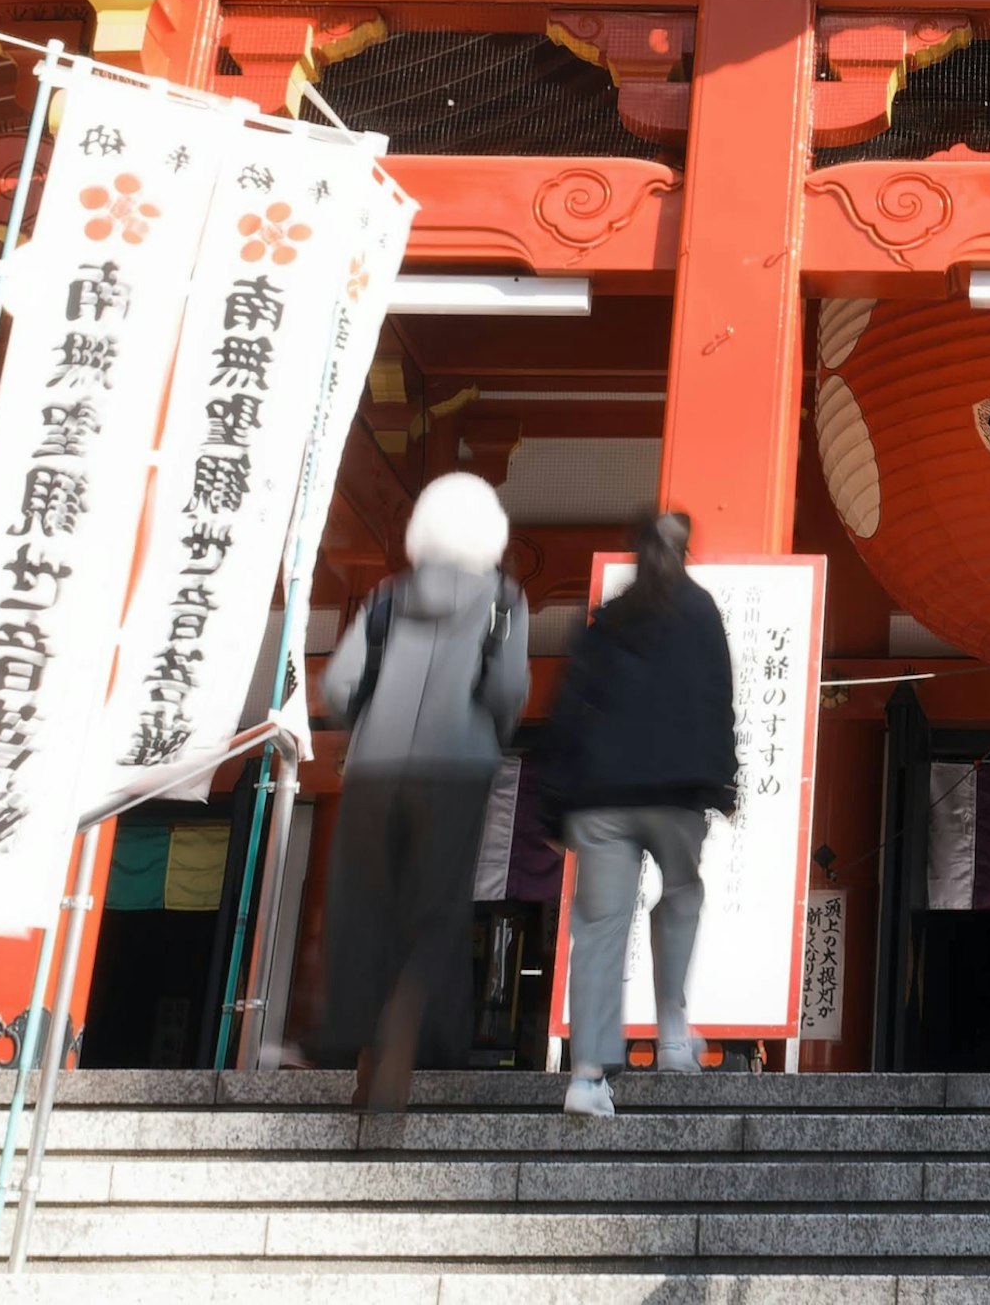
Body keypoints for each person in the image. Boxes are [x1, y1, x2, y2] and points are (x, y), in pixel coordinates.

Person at [312, 470, 531, 1112]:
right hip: (457, 770)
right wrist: (488, 730)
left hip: (374, 770)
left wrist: (373, 727)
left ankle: (359, 1047)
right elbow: (506, 690)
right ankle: (411, 1041)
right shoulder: (503, 600)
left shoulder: (385, 596)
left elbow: (339, 684)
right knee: (434, 913)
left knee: (364, 910)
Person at [533, 508, 738, 1121]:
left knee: (598, 928)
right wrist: (721, 784)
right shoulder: (701, 612)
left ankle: (589, 1078)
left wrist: (552, 813)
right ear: (685, 553)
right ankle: (673, 1035)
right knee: (680, 896)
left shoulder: (606, 621)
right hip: (675, 795)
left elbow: (566, 713)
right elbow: (717, 701)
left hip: (600, 801)